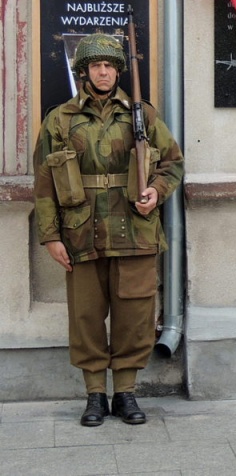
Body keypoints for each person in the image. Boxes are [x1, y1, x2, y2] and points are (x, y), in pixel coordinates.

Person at [33, 33, 184, 427]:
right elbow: (44, 182)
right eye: (96, 66)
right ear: (83, 71)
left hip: (135, 231)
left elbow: (173, 163)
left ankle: (126, 393)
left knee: (134, 315)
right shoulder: (60, 119)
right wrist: (50, 236)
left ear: (118, 70)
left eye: (111, 65)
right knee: (86, 316)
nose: (104, 72)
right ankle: (95, 395)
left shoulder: (142, 115)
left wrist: (155, 190)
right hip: (82, 232)